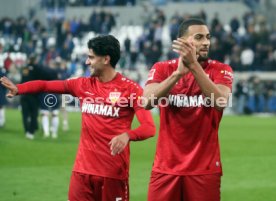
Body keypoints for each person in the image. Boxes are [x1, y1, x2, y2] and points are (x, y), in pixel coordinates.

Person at [0, 35, 156, 201]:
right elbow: (46, 85)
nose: (87, 62)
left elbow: (149, 128)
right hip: (81, 173)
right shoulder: (82, 85)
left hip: (112, 174)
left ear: (106, 59)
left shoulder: (130, 89)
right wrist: (19, 88)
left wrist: (127, 135)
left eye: (91, 57)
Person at [143, 18, 233, 201]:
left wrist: (194, 66)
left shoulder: (221, 69)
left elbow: (221, 101)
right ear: (182, 42)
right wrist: (177, 75)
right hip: (165, 167)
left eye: (208, 37)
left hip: (204, 169)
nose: (206, 42)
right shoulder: (162, 68)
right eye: (199, 37)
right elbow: (146, 102)